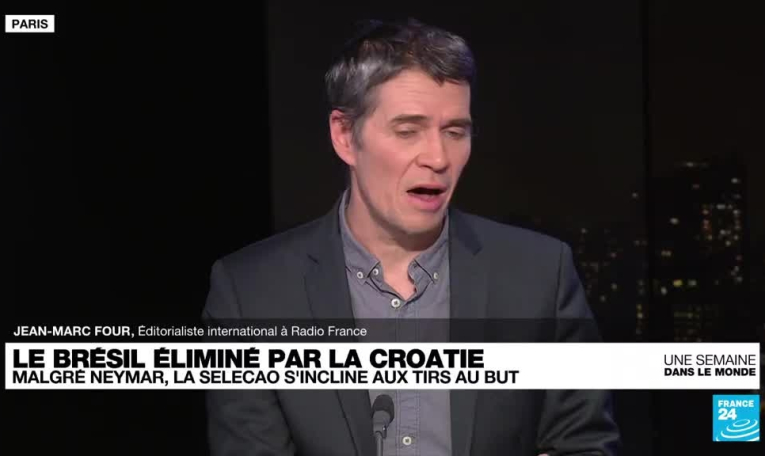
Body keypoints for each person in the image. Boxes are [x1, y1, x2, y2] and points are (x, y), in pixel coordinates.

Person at [203, 18, 621, 456]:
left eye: (455, 132)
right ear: (345, 136)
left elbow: (584, 444)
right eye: (408, 131)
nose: (438, 157)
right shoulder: (251, 295)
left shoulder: (540, 276)